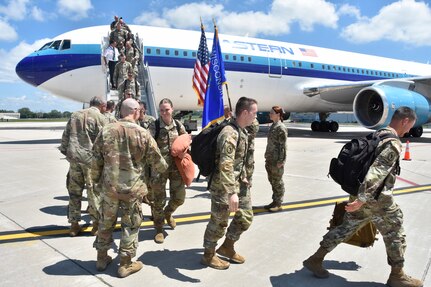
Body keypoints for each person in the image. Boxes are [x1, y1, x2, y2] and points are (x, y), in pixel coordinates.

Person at [303, 107, 423, 287]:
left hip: (360, 195)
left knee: (345, 228)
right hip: (377, 199)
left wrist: (359, 198)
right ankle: (397, 275)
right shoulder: (392, 143)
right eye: (409, 126)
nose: (408, 131)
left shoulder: (378, 134)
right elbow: (378, 171)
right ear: (405, 121)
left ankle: (316, 258)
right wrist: (363, 198)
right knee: (395, 232)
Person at [92, 98, 168, 278]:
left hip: (110, 189)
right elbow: (159, 164)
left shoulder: (106, 131)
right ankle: (125, 263)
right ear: (135, 111)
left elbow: (95, 162)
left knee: (106, 222)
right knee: (131, 225)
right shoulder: (142, 133)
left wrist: (97, 182)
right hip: (132, 191)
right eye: (140, 110)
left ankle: (101, 259)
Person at [201, 97, 258, 270]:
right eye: (254, 113)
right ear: (245, 113)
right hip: (223, 187)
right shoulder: (229, 133)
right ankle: (208, 255)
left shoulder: (242, 130)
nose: (256, 116)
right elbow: (225, 164)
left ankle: (227, 246)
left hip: (239, 183)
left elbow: (238, 161)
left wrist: (244, 176)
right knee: (219, 222)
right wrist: (231, 192)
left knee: (245, 216)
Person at [59, 96, 107, 237]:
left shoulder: (75, 115)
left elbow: (65, 137)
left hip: (75, 159)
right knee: (93, 193)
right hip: (91, 161)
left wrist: (67, 153)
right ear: (102, 105)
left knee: (74, 193)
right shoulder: (100, 118)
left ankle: (74, 225)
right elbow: (104, 139)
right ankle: (95, 226)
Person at [148, 98, 187, 244]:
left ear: (172, 109)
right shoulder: (155, 126)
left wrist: (184, 152)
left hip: (176, 168)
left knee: (179, 197)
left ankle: (168, 213)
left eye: (167, 109)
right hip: (159, 169)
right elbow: (148, 145)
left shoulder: (178, 125)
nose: (164, 112)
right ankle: (159, 228)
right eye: (162, 110)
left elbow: (186, 140)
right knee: (158, 200)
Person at [263, 106, 288, 212]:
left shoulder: (280, 127)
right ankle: (274, 201)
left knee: (278, 182)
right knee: (272, 181)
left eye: (272, 113)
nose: (270, 114)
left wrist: (281, 161)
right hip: (270, 158)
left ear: (278, 114)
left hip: (277, 160)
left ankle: (278, 203)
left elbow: (283, 146)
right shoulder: (273, 126)